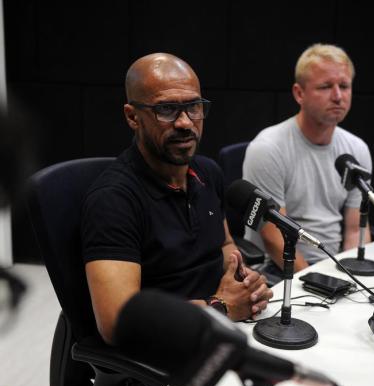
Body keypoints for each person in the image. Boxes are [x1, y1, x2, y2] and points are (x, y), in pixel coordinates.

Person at [81, 53, 273, 345]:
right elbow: (117, 322)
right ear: (133, 117)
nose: (185, 123)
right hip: (167, 344)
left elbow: (223, 244)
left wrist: (244, 281)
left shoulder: (208, 172)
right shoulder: (113, 200)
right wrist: (220, 307)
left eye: (193, 107)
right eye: (167, 109)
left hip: (222, 326)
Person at [243, 43, 372, 279]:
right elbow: (273, 237)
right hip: (277, 269)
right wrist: (317, 281)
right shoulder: (268, 148)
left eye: (344, 86)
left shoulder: (357, 149)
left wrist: (351, 278)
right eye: (325, 87)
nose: (337, 96)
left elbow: (356, 229)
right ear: (299, 93)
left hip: (333, 264)